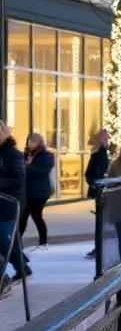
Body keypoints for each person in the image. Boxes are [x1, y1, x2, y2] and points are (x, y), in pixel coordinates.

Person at [0, 122, 30, 295]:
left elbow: (18, 179)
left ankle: (21, 267)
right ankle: (22, 267)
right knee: (7, 238)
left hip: (11, 203)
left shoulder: (13, 155)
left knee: (5, 238)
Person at [20, 134, 54, 251]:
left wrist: (26, 167)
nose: (31, 144)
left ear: (39, 143)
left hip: (39, 193)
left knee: (36, 216)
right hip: (26, 192)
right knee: (23, 217)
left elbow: (42, 172)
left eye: (34, 142)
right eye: (29, 141)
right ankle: (18, 243)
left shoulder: (46, 156)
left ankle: (43, 242)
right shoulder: (24, 155)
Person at [83, 129, 111, 260]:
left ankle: (105, 247)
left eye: (105, 137)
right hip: (100, 192)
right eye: (101, 137)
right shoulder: (96, 156)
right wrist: (94, 183)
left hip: (111, 192)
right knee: (100, 221)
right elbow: (89, 174)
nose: (103, 140)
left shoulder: (113, 155)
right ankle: (98, 248)